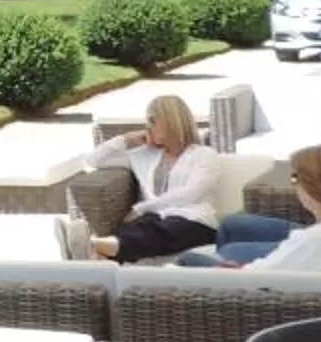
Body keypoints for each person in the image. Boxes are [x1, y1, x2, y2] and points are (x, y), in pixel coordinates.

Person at [174, 145, 321, 274]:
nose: (294, 185)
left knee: (188, 259)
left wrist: (234, 269)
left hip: (250, 293)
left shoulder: (312, 240)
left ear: (311, 187)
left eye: (295, 178)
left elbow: (255, 279)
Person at [85, 95, 223, 264]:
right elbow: (93, 161)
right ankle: (95, 254)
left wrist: (141, 208)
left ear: (170, 121)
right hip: (154, 218)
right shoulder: (146, 156)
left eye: (153, 120)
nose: (148, 126)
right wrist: (126, 139)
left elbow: (190, 194)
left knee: (163, 231)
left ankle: (91, 245)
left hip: (194, 221)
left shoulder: (204, 155)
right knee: (135, 230)